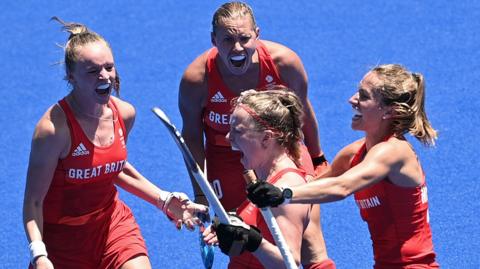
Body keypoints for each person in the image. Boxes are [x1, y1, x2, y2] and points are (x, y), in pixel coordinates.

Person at [22, 17, 208, 269]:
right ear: (71, 77)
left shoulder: (125, 113)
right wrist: (39, 254)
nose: (105, 77)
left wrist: (163, 199)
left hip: (111, 226)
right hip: (61, 241)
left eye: (109, 67)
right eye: (92, 71)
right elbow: (33, 203)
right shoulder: (53, 130)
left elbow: (113, 167)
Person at [179, 2, 333, 268]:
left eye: (244, 38)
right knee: (238, 239)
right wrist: (202, 193)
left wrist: (317, 157)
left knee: (304, 235)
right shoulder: (197, 78)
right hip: (226, 159)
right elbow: (192, 135)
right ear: (213, 39)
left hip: (284, 149)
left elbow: (303, 111)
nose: (237, 48)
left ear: (257, 34)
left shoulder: (285, 63)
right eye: (227, 39)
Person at [247, 64, 440, 268]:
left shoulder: (394, 152)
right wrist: (246, 212)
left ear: (388, 111)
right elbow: (310, 189)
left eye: (364, 96)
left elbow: (341, 187)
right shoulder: (354, 154)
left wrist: (283, 194)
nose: (352, 100)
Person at [203, 89, 318, 268]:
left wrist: (252, 240)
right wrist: (233, 225)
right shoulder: (267, 178)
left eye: (238, 131)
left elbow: (290, 263)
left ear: (266, 138)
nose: (228, 137)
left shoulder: (285, 185)